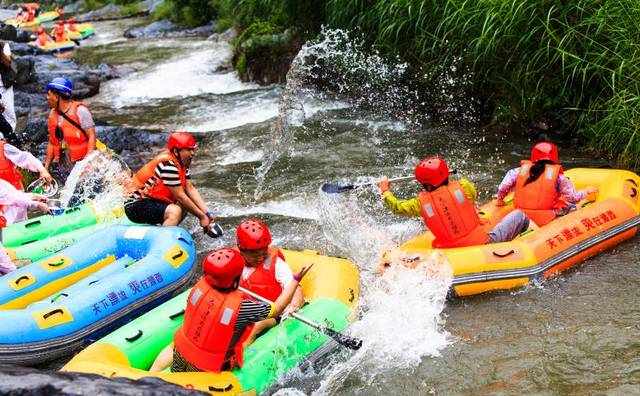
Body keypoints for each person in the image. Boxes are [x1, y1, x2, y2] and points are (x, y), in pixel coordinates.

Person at [150, 248, 310, 372]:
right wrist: (296, 280)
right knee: (255, 326)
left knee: (180, 342)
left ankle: (150, 376)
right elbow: (278, 309)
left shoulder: (199, 288)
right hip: (210, 364)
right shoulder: (240, 307)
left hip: (184, 350)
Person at [378, 156, 530, 248]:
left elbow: (397, 207)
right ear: (446, 174)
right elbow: (472, 195)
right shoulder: (464, 186)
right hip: (483, 244)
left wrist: (385, 190)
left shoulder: (419, 203)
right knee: (520, 215)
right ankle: (526, 238)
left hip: (448, 249)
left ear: (425, 184)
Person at [125, 131, 214, 233]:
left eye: (193, 149)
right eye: (188, 150)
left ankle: (167, 228)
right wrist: (201, 217)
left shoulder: (182, 162)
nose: (192, 153)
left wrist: (207, 214)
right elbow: (180, 196)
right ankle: (164, 238)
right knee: (175, 211)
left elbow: (190, 188)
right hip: (135, 205)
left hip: (151, 201)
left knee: (186, 204)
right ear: (176, 151)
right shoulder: (168, 165)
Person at [495, 141, 597, 226]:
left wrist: (500, 199)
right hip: (546, 217)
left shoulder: (517, 171)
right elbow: (573, 198)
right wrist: (585, 192)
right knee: (571, 206)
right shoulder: (560, 178)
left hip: (520, 215)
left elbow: (504, 187)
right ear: (555, 158)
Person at [236, 218, 304, 343]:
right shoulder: (233, 262)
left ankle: (239, 359)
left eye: (263, 253)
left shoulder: (276, 264)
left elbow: (295, 288)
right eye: (256, 256)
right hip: (246, 311)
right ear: (241, 250)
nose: (261, 258)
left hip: (272, 313)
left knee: (257, 325)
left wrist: (293, 306)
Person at [43, 77, 97, 184]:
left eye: (49, 94)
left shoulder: (81, 111)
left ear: (57, 96)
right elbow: (52, 142)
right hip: (65, 163)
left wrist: (88, 162)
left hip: (83, 161)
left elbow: (92, 136)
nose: (47, 97)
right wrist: (45, 168)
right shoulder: (52, 114)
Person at [0, 41, 18, 145]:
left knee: (9, 113)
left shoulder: (4, 45)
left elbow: (8, 62)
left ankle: (10, 143)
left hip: (5, 86)